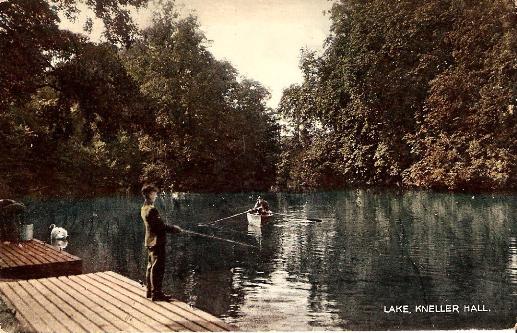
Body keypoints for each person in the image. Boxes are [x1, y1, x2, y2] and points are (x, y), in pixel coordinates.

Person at [140, 184, 183, 301]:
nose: (156, 195)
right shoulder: (152, 209)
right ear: (149, 194)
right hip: (156, 242)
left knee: (150, 267)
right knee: (157, 268)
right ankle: (157, 294)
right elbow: (160, 227)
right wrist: (175, 229)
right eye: (154, 193)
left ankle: (150, 291)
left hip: (149, 241)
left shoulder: (144, 208)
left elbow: (156, 226)